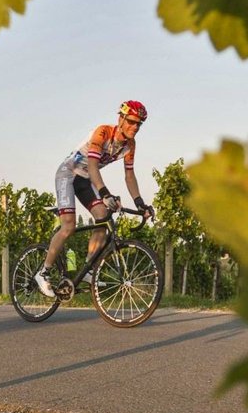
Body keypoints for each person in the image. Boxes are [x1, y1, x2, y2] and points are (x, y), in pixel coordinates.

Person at [34, 100, 156, 297]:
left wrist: (140, 203)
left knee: (103, 217)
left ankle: (88, 270)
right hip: (69, 174)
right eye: (132, 122)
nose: (135, 127)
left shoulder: (130, 145)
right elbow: (92, 165)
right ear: (121, 119)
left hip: (86, 180)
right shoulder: (103, 132)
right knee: (69, 226)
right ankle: (43, 272)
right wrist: (105, 193)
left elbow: (129, 175)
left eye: (139, 124)